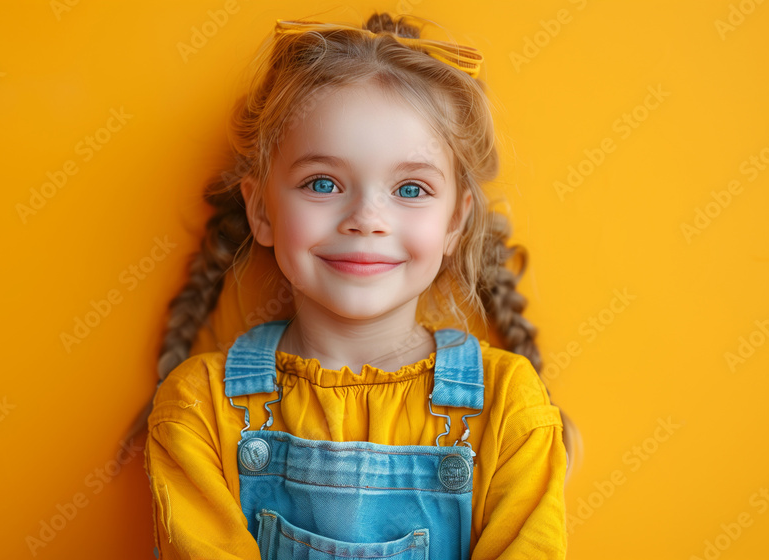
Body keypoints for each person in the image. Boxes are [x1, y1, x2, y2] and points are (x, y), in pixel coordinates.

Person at [142, 12, 578, 559]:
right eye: (322, 183)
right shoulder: (200, 408)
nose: (367, 218)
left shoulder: (508, 406)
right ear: (261, 210)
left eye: (411, 189)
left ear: (454, 223)